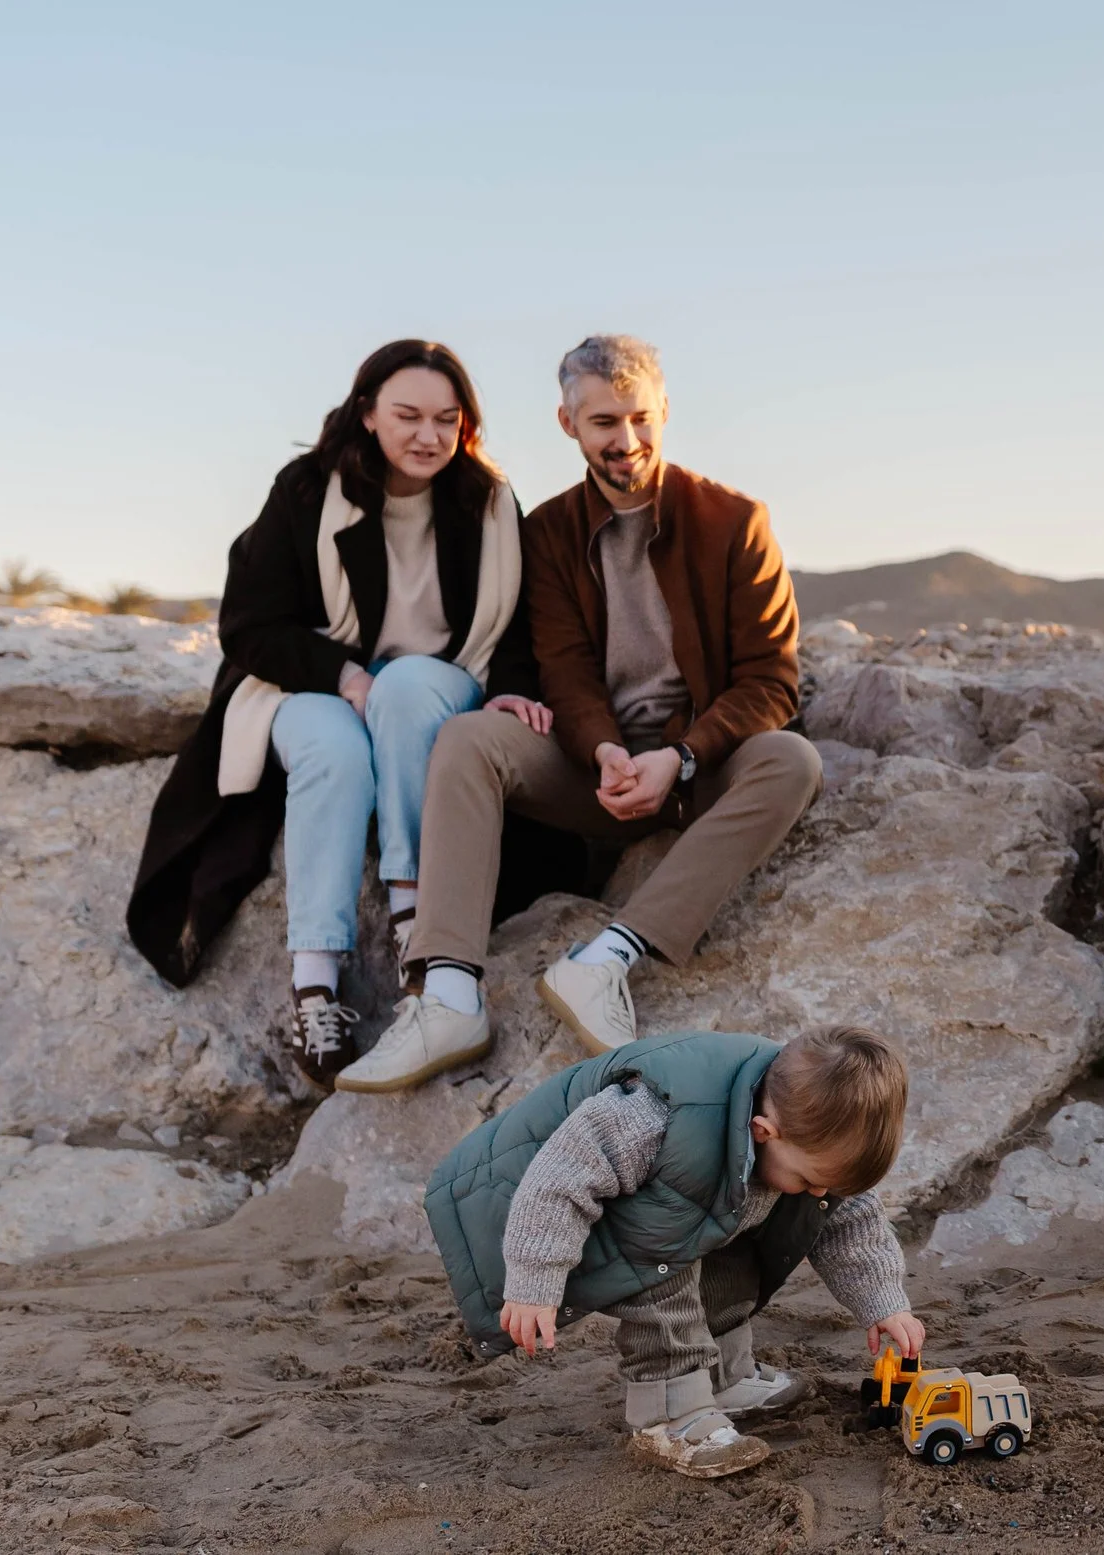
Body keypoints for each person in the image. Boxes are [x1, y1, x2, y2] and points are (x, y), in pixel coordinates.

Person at [332, 335, 821, 1092]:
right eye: (602, 423)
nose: (625, 440)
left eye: (640, 418)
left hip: (698, 770)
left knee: (793, 758)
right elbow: (561, 666)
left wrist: (680, 757)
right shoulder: (550, 532)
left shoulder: (735, 522)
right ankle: (451, 994)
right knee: (469, 738)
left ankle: (606, 960)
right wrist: (602, 752)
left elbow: (769, 682)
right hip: (594, 773)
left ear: (664, 412)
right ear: (567, 423)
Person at [127, 340, 543, 1086]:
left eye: (446, 419)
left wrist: (512, 685)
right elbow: (250, 626)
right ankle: (316, 983)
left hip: (434, 686)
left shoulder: (488, 502)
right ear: (367, 414)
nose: (428, 436)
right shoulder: (307, 490)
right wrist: (343, 673)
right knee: (334, 752)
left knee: (410, 685)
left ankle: (418, 917)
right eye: (407, 415)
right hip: (308, 683)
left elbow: (515, 624)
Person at [426, 1024, 924, 1478]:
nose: (818, 1195)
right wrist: (535, 1280)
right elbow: (557, 1179)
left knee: (732, 1266)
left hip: (677, 1210)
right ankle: (669, 1414)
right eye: (810, 1181)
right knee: (663, 1275)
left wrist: (884, 1302)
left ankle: (722, 1377)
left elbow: (847, 1213)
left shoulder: (807, 1128)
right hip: (536, 1202)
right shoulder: (654, 1116)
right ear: (762, 1133)